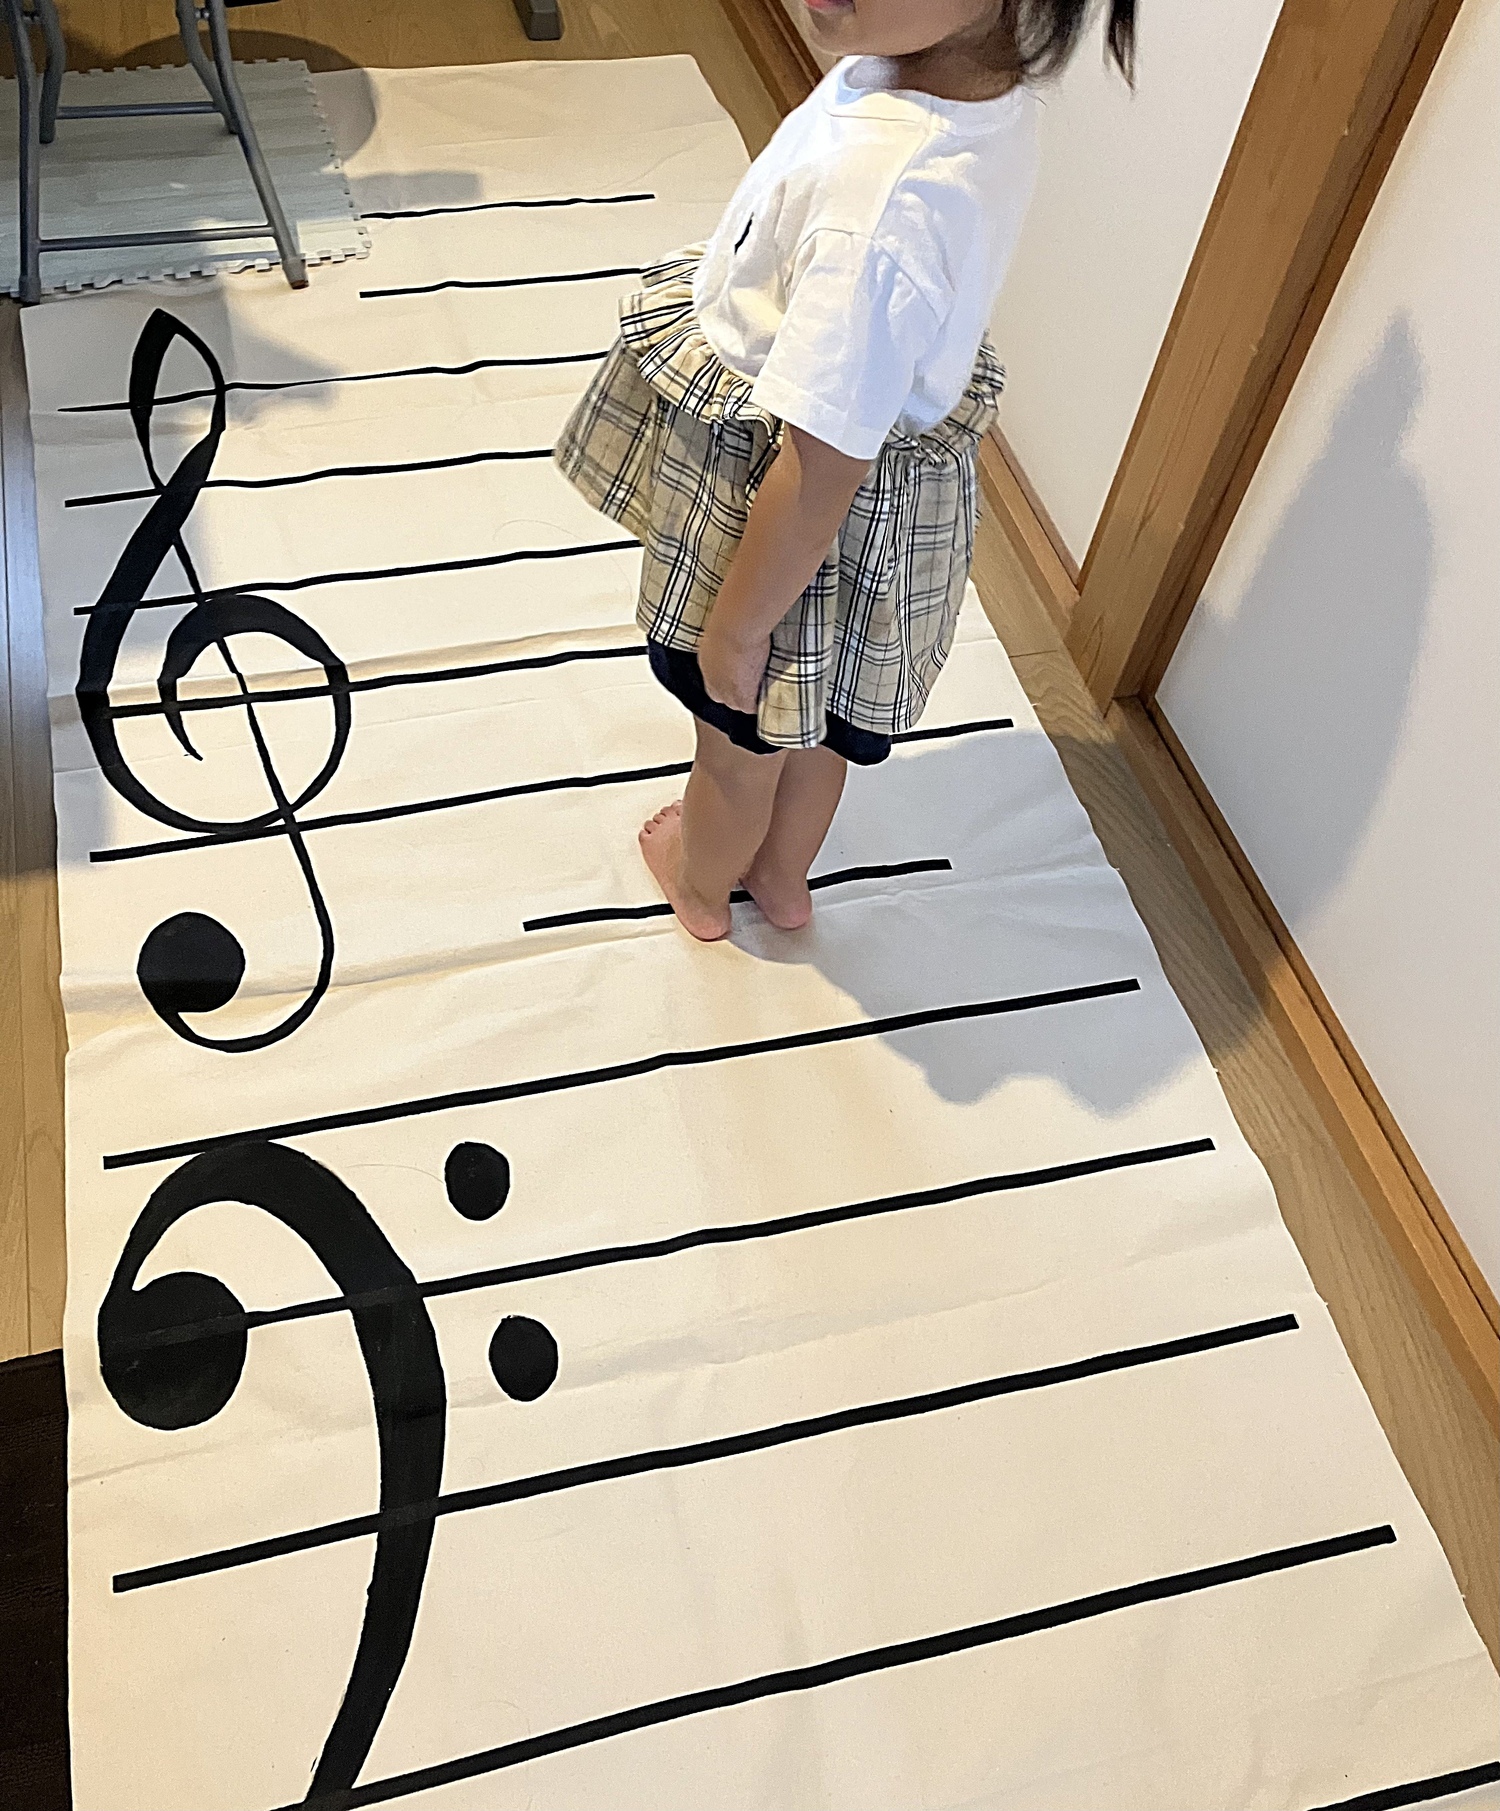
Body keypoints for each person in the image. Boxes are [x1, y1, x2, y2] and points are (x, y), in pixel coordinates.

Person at [556, 0, 1135, 941]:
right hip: (876, 488)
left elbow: (818, 470)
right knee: (819, 726)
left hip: (785, 505)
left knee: (736, 747)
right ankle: (783, 879)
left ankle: (701, 883)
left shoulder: (879, 214)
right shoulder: (971, 88)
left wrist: (738, 628)